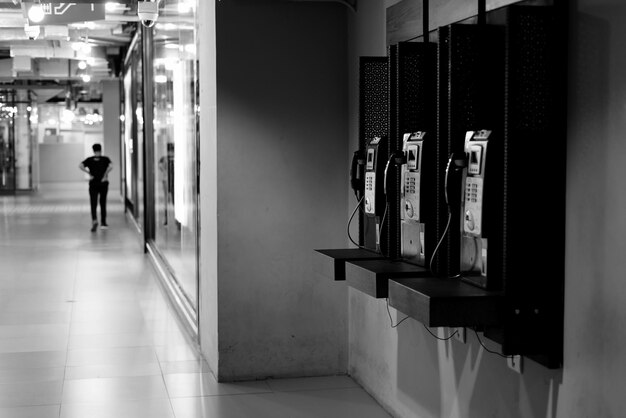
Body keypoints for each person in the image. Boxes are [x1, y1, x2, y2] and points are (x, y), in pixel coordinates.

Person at [79, 143, 113, 232]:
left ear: (93, 151)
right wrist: (105, 174)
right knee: (103, 202)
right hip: (103, 183)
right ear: (100, 150)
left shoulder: (89, 160)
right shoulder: (105, 159)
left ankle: (94, 220)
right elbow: (111, 166)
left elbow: (80, 165)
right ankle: (103, 223)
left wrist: (89, 173)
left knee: (93, 203)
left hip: (93, 183)